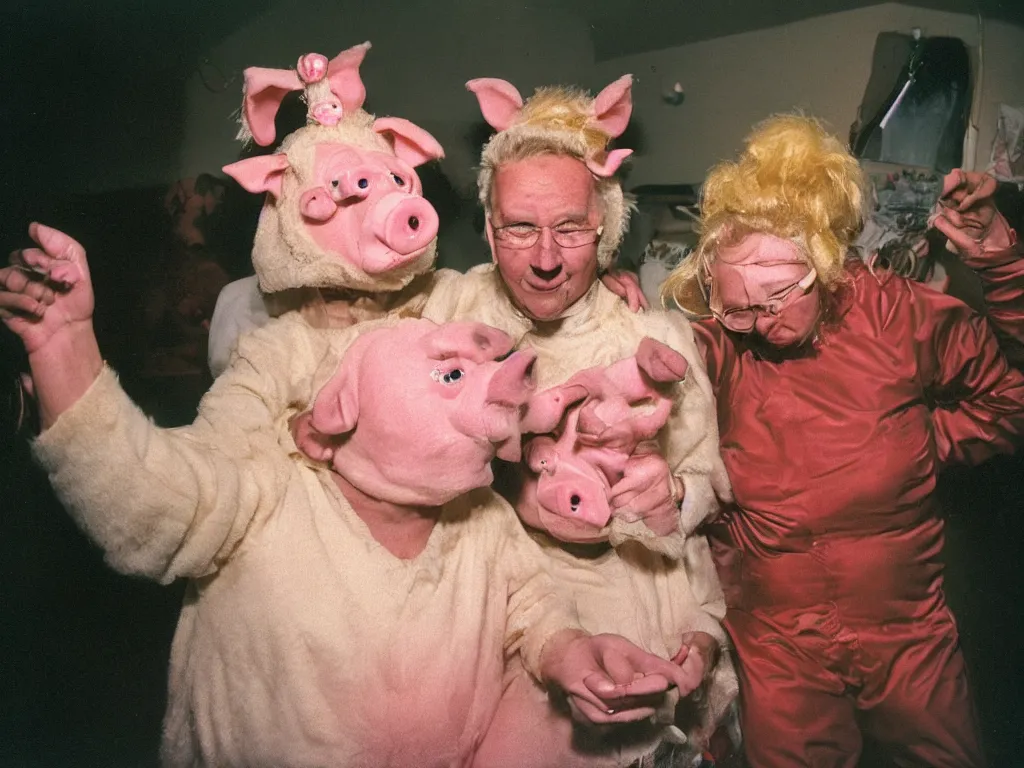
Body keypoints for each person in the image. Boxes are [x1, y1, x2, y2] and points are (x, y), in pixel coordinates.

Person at [0, 224, 699, 767]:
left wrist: (574, 654)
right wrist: (66, 353)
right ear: (338, 417)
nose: (501, 383)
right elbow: (149, 499)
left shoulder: (480, 519)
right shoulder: (266, 494)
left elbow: (534, 613)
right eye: (449, 375)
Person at [660, 114, 1024, 767]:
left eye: (773, 301)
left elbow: (1008, 401)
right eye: (734, 305)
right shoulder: (718, 343)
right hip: (776, 631)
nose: (754, 323)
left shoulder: (900, 314)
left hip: (905, 620)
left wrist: (920, 442)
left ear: (826, 262)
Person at [417, 76, 737, 767]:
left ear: (605, 229)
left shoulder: (653, 340)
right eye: (520, 229)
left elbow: (709, 481)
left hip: (629, 629)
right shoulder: (441, 315)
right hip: (478, 637)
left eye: (569, 228)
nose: (543, 259)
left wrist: (675, 497)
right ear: (488, 225)